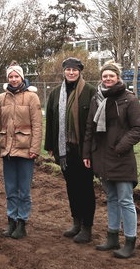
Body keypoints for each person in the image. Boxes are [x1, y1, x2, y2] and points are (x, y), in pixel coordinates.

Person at [83, 60, 140, 259]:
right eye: (104, 76)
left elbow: (138, 128)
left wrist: (120, 146)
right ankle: (112, 237)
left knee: (126, 200)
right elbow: (89, 129)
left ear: (118, 77)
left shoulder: (129, 99)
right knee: (111, 198)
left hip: (121, 158)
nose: (108, 78)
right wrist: (86, 153)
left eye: (111, 75)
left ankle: (129, 240)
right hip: (101, 157)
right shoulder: (97, 99)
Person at [44, 57, 97, 243]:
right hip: (64, 150)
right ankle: (76, 222)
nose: (71, 72)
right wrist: (50, 145)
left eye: (75, 70)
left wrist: (91, 150)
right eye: (68, 69)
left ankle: (87, 227)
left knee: (85, 188)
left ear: (80, 71)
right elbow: (50, 119)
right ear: (64, 71)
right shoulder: (56, 93)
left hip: (83, 150)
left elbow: (95, 124)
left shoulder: (90, 91)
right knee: (71, 187)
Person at [0, 61, 42, 239]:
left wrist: (35, 148)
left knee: (24, 189)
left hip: (26, 149)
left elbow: (37, 125)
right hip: (7, 150)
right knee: (10, 188)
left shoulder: (31, 97)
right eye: (11, 76)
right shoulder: (2, 98)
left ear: (22, 77)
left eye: (16, 76)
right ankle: (11, 220)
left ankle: (22, 222)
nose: (13, 79)